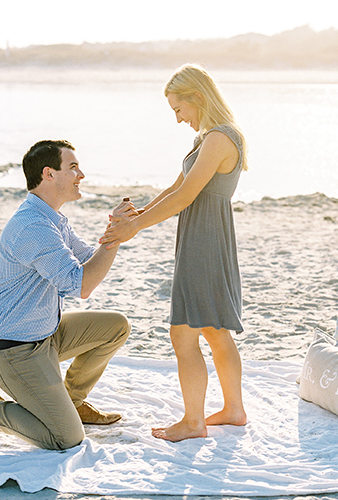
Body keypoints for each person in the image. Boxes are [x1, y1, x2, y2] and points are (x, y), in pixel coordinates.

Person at [0, 140, 131, 450]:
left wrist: (116, 230)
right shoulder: (32, 226)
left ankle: (71, 401)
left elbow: (87, 258)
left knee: (115, 327)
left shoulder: (53, 220)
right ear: (48, 174)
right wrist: (117, 237)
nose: (81, 174)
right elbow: (81, 285)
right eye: (73, 167)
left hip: (44, 336)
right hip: (12, 351)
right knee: (65, 438)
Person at [100, 64, 248, 442]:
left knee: (183, 335)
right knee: (214, 329)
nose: (178, 119)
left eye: (179, 109)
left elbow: (186, 197)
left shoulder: (219, 138)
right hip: (204, 237)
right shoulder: (207, 140)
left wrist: (136, 227)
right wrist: (139, 216)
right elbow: (176, 186)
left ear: (198, 97)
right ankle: (233, 410)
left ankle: (193, 422)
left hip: (206, 240)